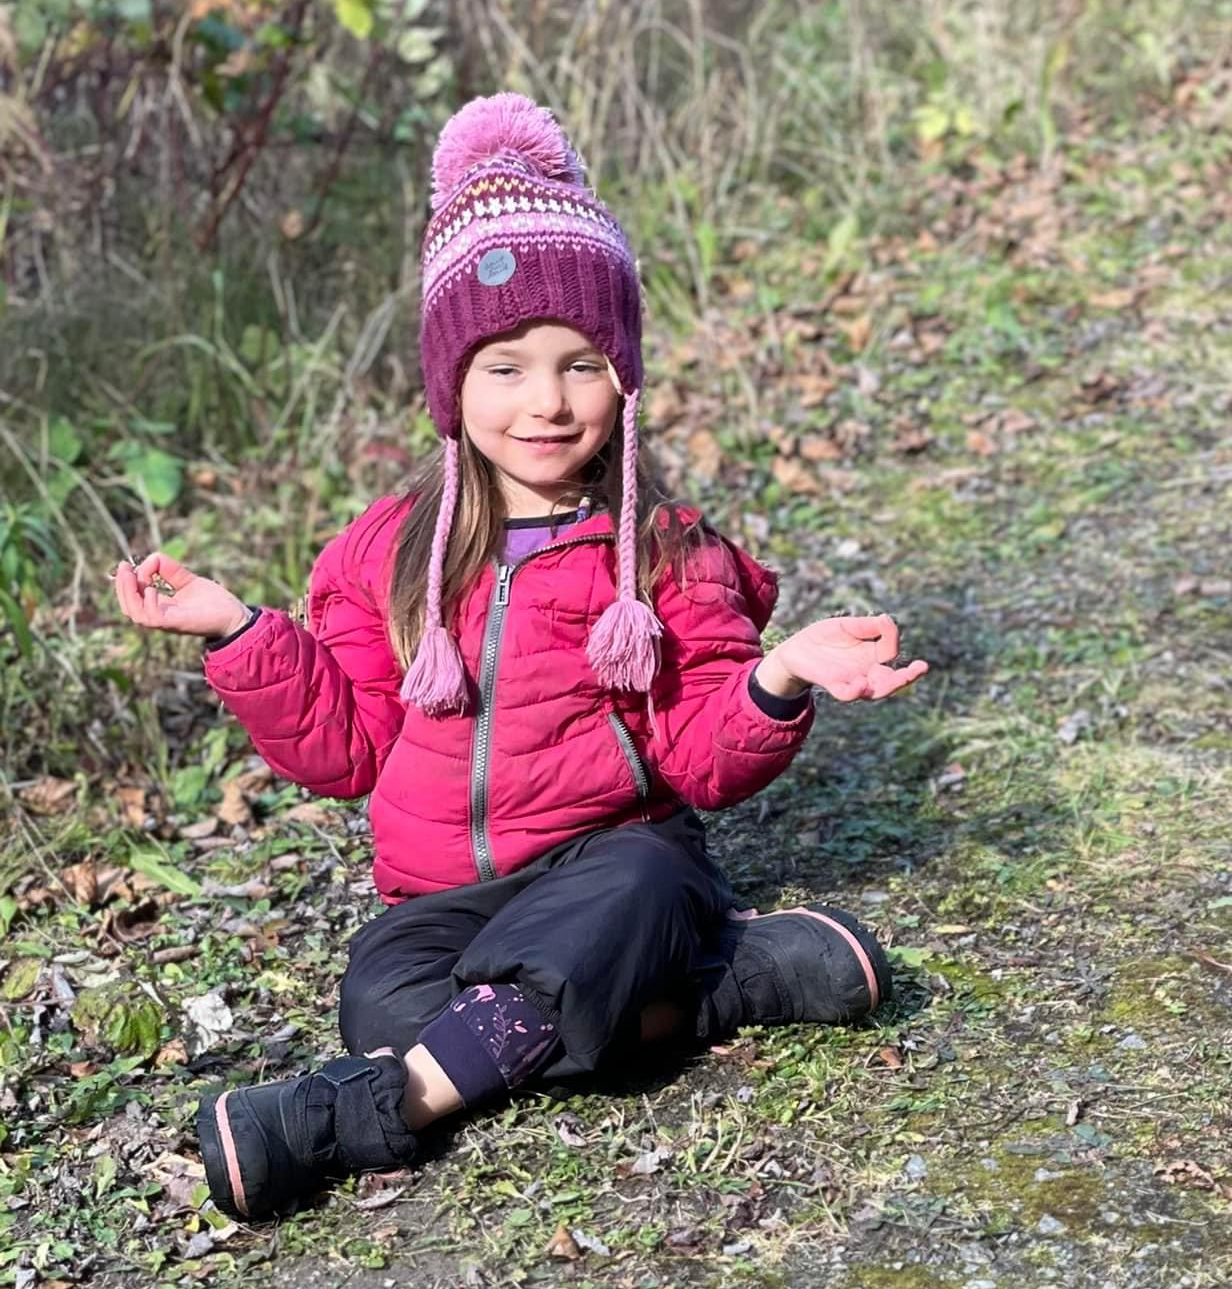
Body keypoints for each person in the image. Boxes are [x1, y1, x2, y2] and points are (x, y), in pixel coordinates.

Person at [110, 93, 927, 1221]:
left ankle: (368, 1110)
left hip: (615, 866)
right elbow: (346, 751)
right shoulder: (386, 553)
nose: (546, 401)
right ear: (451, 381)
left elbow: (700, 759)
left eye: (581, 364)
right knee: (379, 995)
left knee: (635, 888)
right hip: (451, 899)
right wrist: (236, 631)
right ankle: (722, 985)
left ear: (622, 376)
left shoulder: (665, 551)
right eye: (505, 367)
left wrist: (777, 675)